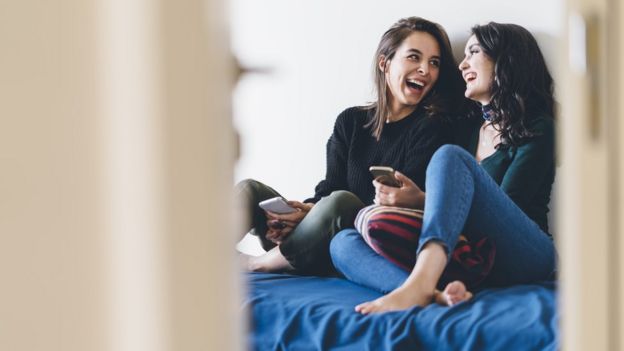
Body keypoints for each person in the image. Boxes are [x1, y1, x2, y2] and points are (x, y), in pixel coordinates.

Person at [330, 22, 557, 311]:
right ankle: (429, 292)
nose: (463, 65)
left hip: (523, 254)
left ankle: (420, 282)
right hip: (467, 255)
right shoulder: (465, 128)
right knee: (342, 243)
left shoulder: (539, 128)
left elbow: (508, 207)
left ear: (505, 60)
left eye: (473, 52)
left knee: (449, 156)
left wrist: (422, 200)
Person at [237, 17, 465, 276]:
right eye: (414, 57)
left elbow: (390, 208)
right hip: (314, 235)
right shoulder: (351, 121)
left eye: (434, 63)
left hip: (350, 245)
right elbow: (330, 188)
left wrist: (322, 213)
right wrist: (301, 214)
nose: (426, 69)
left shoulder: (432, 128)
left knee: (344, 202)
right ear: (384, 63)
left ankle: (254, 264)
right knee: (251, 190)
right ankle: (200, 253)